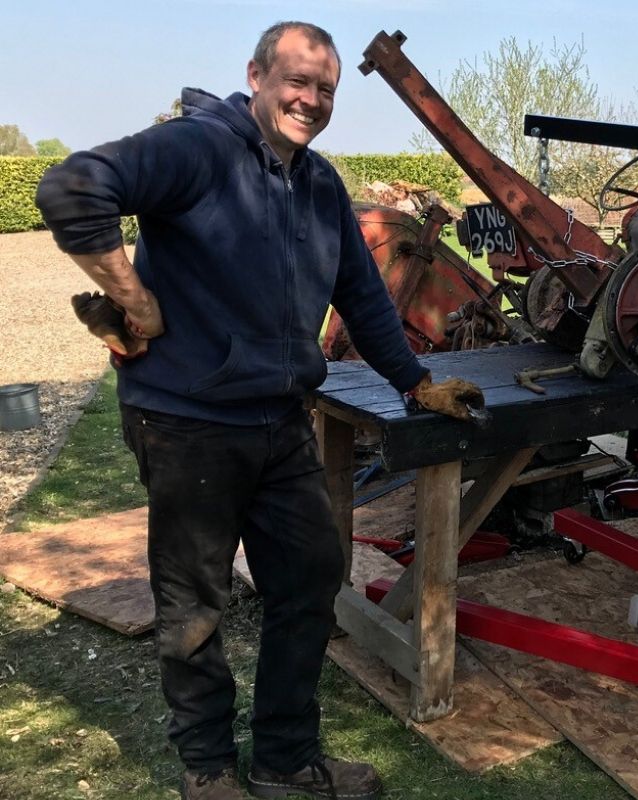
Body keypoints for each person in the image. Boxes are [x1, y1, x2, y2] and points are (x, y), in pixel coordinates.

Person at [36, 21, 481, 800]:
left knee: (311, 577)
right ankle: (208, 770)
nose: (310, 100)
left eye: (326, 89)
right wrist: (133, 298)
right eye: (297, 81)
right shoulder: (198, 148)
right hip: (186, 423)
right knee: (195, 604)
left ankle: (284, 761)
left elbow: (364, 298)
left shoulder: (319, 185)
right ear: (257, 75)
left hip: (279, 419)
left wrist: (414, 383)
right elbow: (71, 190)